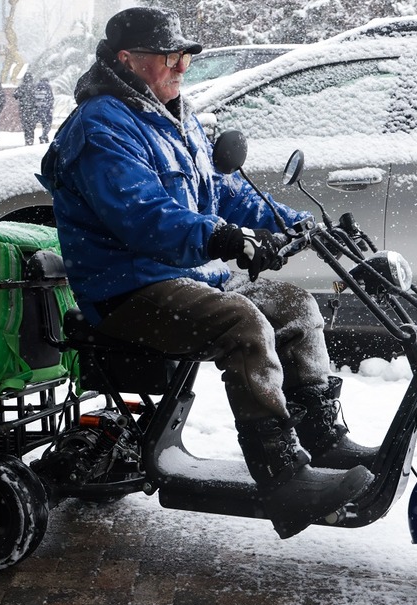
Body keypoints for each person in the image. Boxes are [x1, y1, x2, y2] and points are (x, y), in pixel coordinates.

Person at [41, 7, 375, 540]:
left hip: (184, 277)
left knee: (292, 304)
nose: (181, 66)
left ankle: (322, 437)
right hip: (127, 289)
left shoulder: (176, 114)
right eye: (169, 57)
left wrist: (301, 224)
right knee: (242, 325)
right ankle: (282, 478)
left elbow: (221, 192)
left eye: (185, 56)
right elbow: (142, 216)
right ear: (128, 61)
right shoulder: (101, 126)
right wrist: (222, 237)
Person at [13, 72, 38, 146]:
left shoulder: (22, 87)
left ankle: (27, 140)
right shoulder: (34, 87)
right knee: (32, 126)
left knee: (26, 126)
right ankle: (31, 140)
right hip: (33, 110)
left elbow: (15, 95)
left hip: (24, 110)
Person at [33, 77, 54, 144]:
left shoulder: (35, 86)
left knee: (33, 124)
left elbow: (33, 97)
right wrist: (50, 107)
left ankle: (30, 138)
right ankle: (44, 135)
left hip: (36, 109)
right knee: (47, 124)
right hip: (46, 109)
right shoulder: (48, 86)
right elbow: (50, 98)